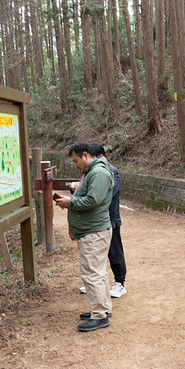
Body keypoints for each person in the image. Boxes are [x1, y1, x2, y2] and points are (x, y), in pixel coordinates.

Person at [55, 142, 114, 332]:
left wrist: (70, 202)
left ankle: (99, 316)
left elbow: (92, 200)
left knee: (91, 273)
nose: (76, 165)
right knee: (98, 271)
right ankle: (102, 309)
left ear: (85, 155)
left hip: (93, 232)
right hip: (94, 229)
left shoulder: (98, 173)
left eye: (76, 161)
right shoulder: (95, 172)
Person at [78, 143, 128, 298]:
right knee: (96, 253)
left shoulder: (111, 172)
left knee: (114, 252)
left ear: (99, 156)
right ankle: (97, 284)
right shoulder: (91, 171)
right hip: (96, 220)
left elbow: (104, 194)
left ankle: (120, 283)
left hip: (110, 219)